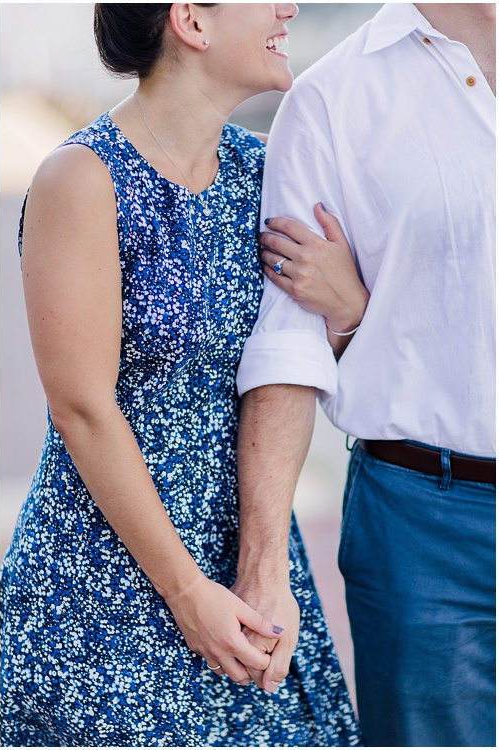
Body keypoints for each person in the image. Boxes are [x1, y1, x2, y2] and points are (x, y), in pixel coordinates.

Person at [0, 4, 364, 746]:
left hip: (248, 556)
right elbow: (81, 409)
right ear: (192, 20)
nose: (288, 7)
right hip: (106, 579)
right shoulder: (80, 177)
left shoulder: (264, 172)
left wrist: (350, 305)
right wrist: (186, 588)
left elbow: (299, 367)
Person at [235, 3, 496, 746]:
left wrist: (362, 313)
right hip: (426, 526)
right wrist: (265, 566)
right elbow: (287, 345)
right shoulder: (331, 98)